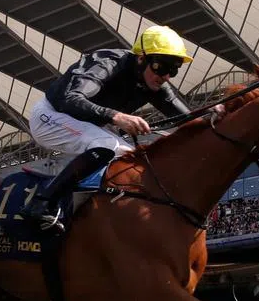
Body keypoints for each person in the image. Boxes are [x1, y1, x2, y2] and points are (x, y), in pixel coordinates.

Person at [20, 24, 215, 232]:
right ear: (141, 58)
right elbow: (71, 99)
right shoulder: (108, 63)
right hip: (52, 115)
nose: (166, 76)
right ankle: (41, 203)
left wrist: (215, 113)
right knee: (108, 146)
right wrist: (116, 117)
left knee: (129, 156)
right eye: (161, 67)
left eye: (172, 70)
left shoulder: (155, 83)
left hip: (87, 123)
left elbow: (188, 118)